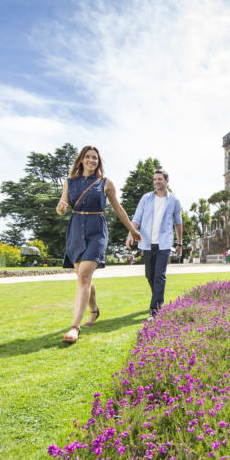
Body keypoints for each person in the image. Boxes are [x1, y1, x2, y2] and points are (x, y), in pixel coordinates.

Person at [56, 145, 141, 343]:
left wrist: (132, 229)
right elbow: (62, 208)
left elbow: (118, 208)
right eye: (88, 157)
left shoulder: (105, 183)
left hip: (96, 231)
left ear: (99, 162)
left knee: (84, 275)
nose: (92, 161)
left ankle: (74, 327)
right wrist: (61, 208)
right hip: (76, 230)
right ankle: (93, 310)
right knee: (83, 278)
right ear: (81, 160)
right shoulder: (69, 183)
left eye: (95, 158)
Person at [125, 169, 182, 318]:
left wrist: (179, 243)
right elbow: (136, 218)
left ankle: (155, 310)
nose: (157, 181)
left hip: (164, 243)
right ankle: (157, 298)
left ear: (166, 181)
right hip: (147, 242)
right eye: (155, 179)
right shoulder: (146, 198)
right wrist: (131, 233)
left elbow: (178, 223)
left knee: (159, 276)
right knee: (149, 275)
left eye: (160, 179)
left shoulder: (174, 201)